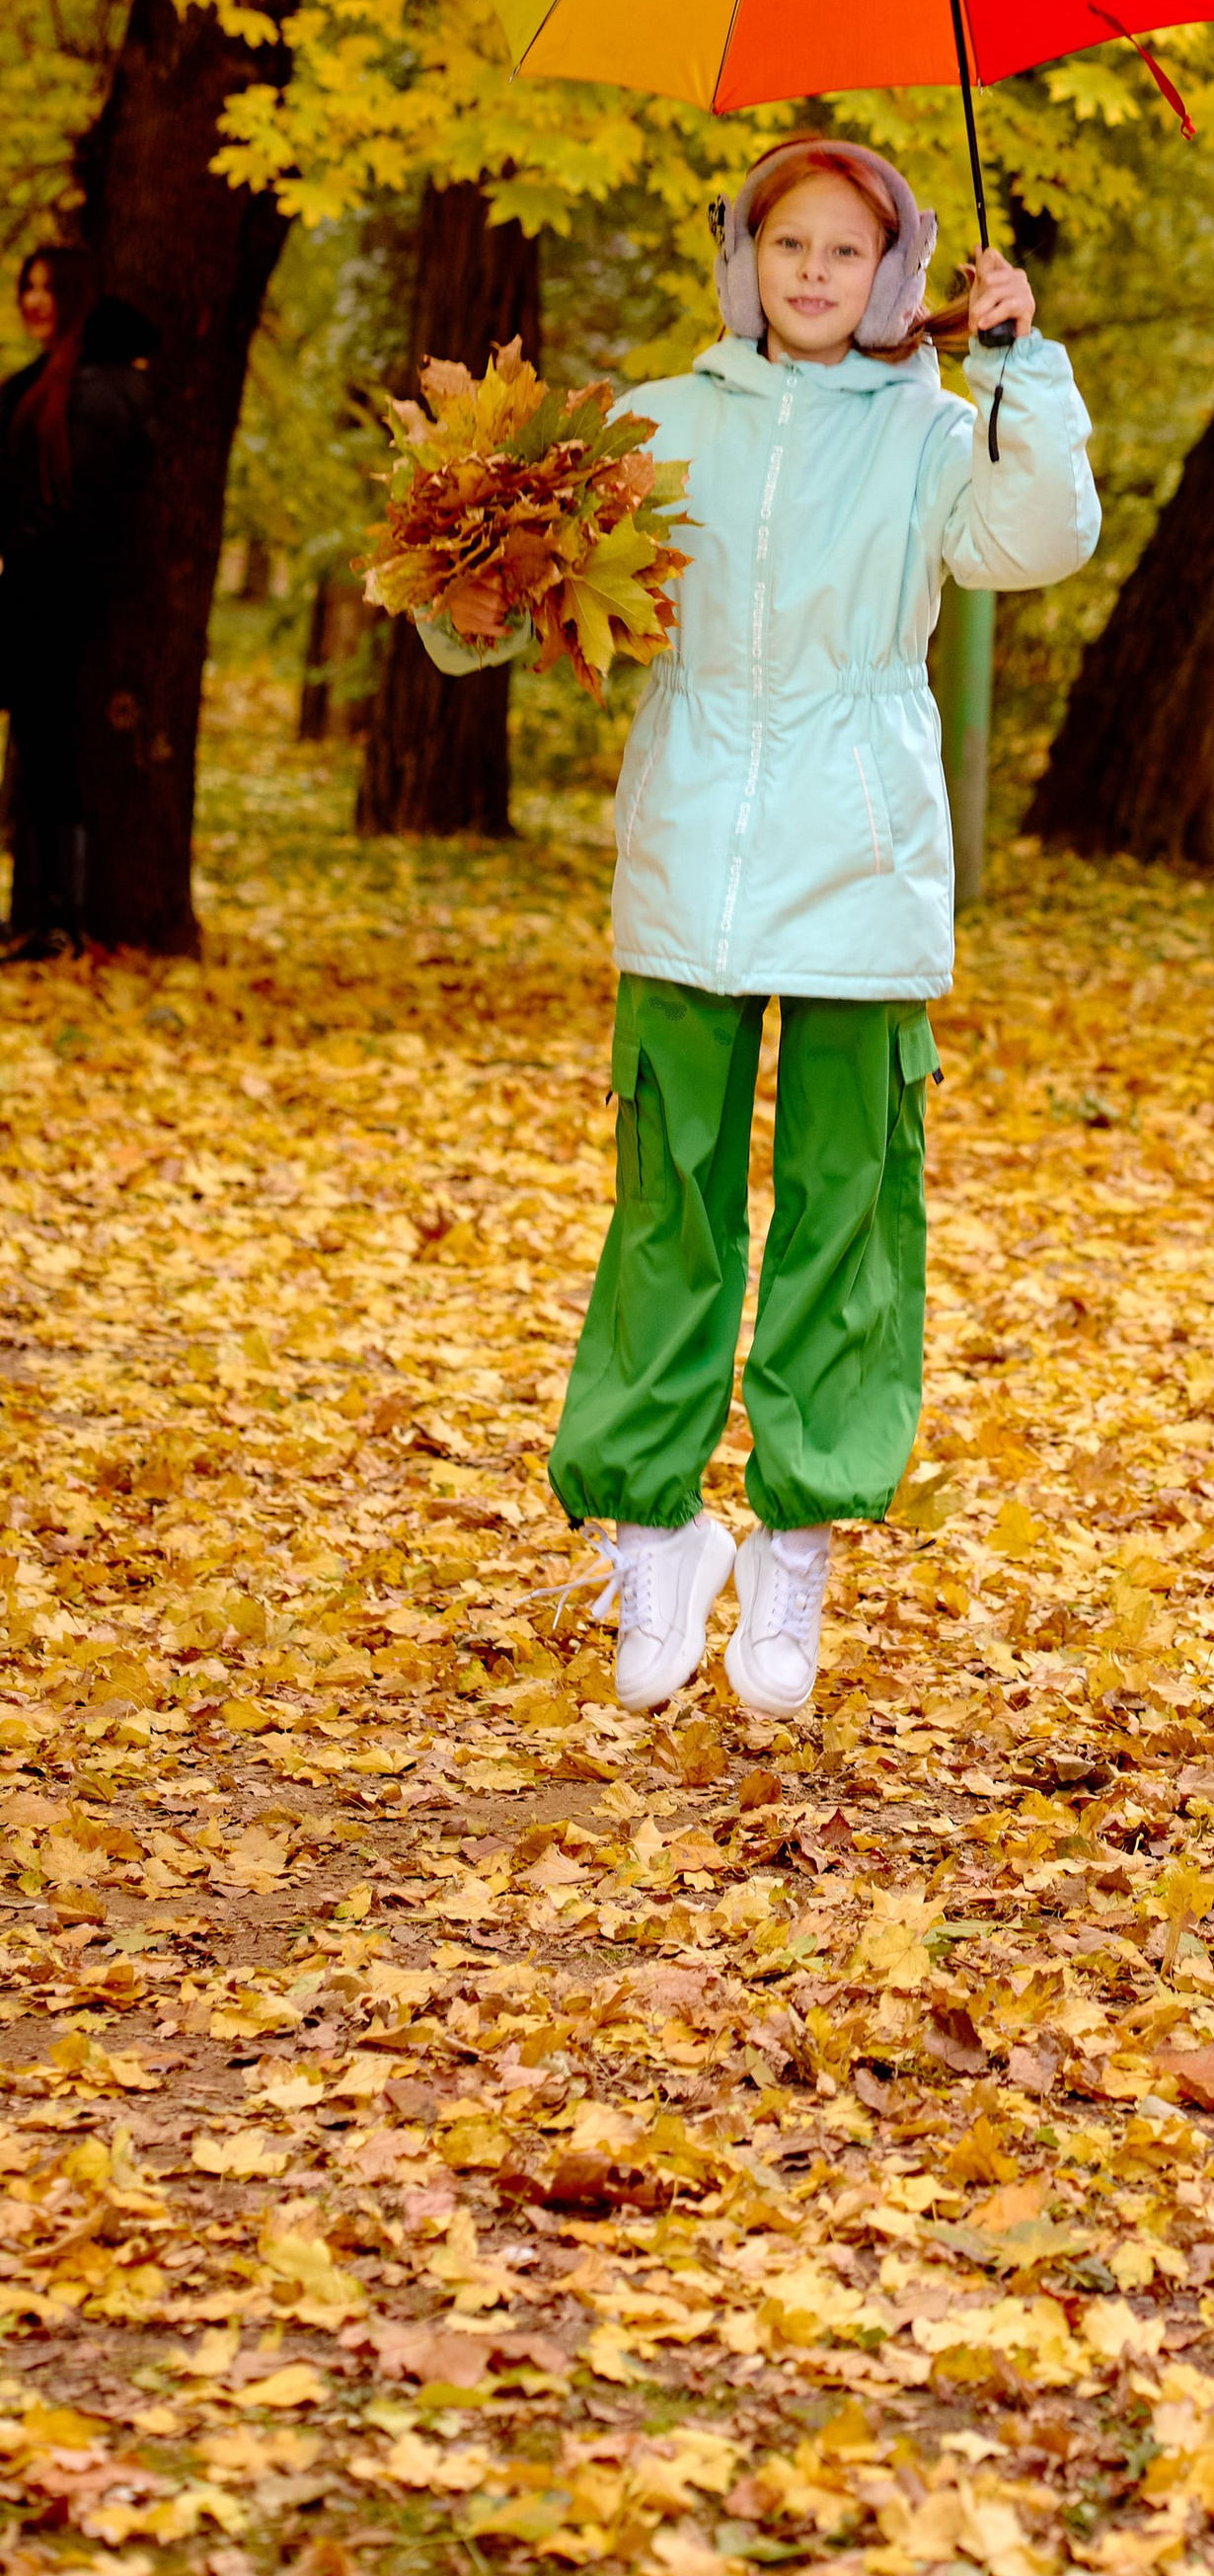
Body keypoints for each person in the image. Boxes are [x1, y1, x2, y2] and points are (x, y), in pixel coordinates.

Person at [425, 141, 1100, 1719]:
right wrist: (461, 600)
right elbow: (521, 604)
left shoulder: (942, 434)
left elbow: (1043, 539)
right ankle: (657, 1527)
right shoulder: (658, 423)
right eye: (786, 241)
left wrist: (1024, 366)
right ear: (743, 259)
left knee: (845, 1215)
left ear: (897, 275)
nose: (813, 271)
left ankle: (795, 1545)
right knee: (669, 1199)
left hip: (862, 864)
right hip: (688, 859)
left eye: (848, 251)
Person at [0, 247, 151, 959]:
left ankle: (61, 917)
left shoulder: (95, 391)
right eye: (25, 286)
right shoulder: (48, 383)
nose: (33, 299)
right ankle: (46, 913)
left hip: (50, 602)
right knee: (41, 753)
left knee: (52, 754)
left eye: (46, 288)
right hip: (32, 596)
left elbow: (73, 513)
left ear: (76, 297)